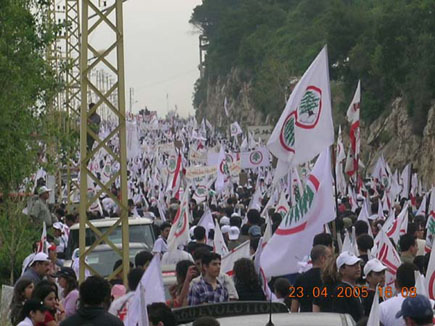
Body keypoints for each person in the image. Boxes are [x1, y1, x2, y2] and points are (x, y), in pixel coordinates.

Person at [291, 245, 332, 312]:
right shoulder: (329, 278)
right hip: (326, 319)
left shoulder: (300, 278)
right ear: (322, 258)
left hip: (305, 319)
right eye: (329, 257)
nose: (332, 260)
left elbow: (294, 307)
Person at [331, 251, 365, 322]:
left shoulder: (355, 289)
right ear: (342, 270)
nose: (358, 267)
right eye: (352, 265)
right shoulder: (341, 290)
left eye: (358, 263)